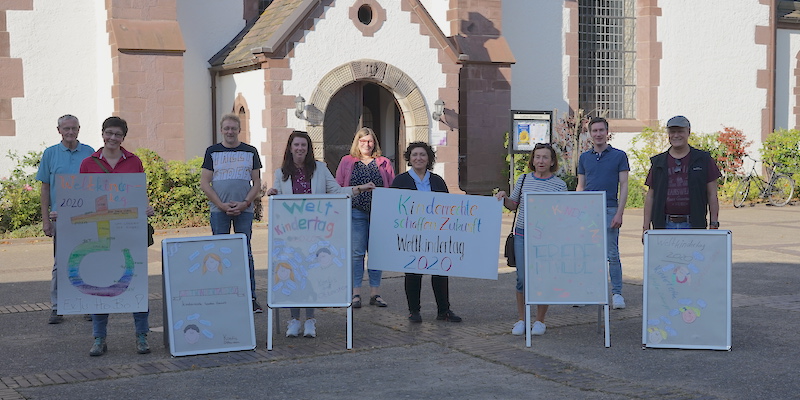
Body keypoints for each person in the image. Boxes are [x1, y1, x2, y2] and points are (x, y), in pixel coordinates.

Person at [266, 131, 376, 338]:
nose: (300, 149)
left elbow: (335, 191)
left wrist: (359, 189)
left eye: (303, 145)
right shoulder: (281, 173)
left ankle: (310, 320)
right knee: (293, 273)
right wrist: (273, 194)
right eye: (296, 145)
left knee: (310, 276)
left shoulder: (320, 169)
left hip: (315, 233)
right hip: (292, 235)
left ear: (308, 149)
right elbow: (279, 200)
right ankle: (294, 320)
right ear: (290, 148)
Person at [78, 116, 155, 356]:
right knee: (100, 283)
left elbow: (139, 194)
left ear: (123, 137)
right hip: (100, 233)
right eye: (109, 133)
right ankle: (99, 338)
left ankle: (141, 335)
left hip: (129, 231)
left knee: (137, 283)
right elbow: (80, 197)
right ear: (102, 134)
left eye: (117, 135)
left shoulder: (134, 161)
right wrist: (66, 212)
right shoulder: (88, 163)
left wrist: (147, 207)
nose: (113, 138)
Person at [495, 143, 567, 336]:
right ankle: (522, 319)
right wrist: (503, 197)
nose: (541, 161)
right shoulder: (524, 179)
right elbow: (513, 205)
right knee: (522, 278)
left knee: (543, 278)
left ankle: (540, 320)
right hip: (522, 234)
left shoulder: (559, 185)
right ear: (532, 160)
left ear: (552, 161)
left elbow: (563, 213)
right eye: (537, 157)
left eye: (545, 157)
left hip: (546, 238)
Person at [391, 142, 461, 323]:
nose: (418, 158)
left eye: (422, 155)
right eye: (414, 155)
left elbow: (447, 207)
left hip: (435, 235)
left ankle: (444, 310)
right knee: (413, 272)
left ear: (429, 158)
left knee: (440, 271)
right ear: (409, 158)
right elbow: (393, 208)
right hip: (410, 235)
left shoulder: (437, 181)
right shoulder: (400, 181)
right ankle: (414, 311)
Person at [200, 114, 263, 313]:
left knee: (245, 253)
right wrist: (221, 204)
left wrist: (245, 203)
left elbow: (257, 183)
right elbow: (204, 183)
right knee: (218, 254)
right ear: (221, 130)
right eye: (226, 128)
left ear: (239, 130)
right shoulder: (212, 151)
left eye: (233, 128)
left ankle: (250, 297)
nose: (229, 132)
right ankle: (222, 296)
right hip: (219, 211)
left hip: (244, 211)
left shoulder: (250, 151)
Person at [36, 114, 95, 324]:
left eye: (74, 128)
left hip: (86, 218)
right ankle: (57, 307)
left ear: (79, 129)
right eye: (66, 129)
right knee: (60, 263)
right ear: (59, 130)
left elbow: (97, 186)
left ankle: (88, 304)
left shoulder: (90, 153)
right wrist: (46, 220)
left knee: (87, 259)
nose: (70, 132)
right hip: (60, 218)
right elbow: (44, 188)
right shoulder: (50, 154)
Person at [335, 127, 395, 309]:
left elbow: (392, 186)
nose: (366, 144)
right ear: (357, 143)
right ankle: (356, 293)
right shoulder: (347, 161)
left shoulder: (383, 162)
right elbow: (338, 186)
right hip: (356, 211)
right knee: (357, 253)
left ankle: (375, 294)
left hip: (378, 213)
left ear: (374, 142)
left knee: (376, 254)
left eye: (369, 141)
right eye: (363, 141)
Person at [576, 117, 630, 309]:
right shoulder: (584, 158)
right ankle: (587, 292)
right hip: (588, 212)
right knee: (587, 254)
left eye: (601, 130)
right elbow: (580, 186)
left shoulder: (619, 156)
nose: (598, 134)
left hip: (609, 209)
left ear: (607, 133)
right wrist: (577, 212)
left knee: (612, 254)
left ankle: (617, 293)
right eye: (594, 131)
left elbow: (624, 185)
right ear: (590, 134)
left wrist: (619, 213)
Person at [643, 115, 721, 233]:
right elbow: (650, 196)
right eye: (672, 132)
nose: (676, 135)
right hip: (664, 225)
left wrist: (714, 223)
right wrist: (646, 226)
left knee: (694, 253)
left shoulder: (703, 159)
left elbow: (712, 194)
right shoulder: (658, 162)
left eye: (680, 131)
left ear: (688, 132)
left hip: (694, 224)